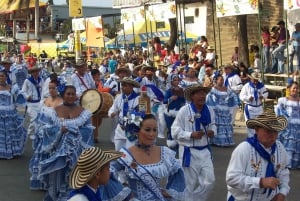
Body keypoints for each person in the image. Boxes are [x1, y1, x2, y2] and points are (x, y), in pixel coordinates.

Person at [37, 85, 94, 201]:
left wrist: (75, 132)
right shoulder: (54, 111)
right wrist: (59, 131)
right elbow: (45, 129)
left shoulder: (84, 112)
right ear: (63, 95)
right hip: (58, 151)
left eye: (73, 94)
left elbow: (90, 130)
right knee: (59, 174)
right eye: (68, 94)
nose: (71, 96)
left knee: (75, 175)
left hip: (77, 151)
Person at [112, 114, 186, 200]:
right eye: (147, 130)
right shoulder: (126, 155)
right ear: (136, 131)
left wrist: (171, 192)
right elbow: (107, 174)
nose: (152, 134)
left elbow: (178, 172)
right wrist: (125, 194)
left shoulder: (164, 152)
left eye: (155, 130)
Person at [226, 112, 290, 201]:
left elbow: (283, 173)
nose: (272, 135)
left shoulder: (279, 148)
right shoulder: (244, 149)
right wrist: (260, 182)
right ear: (256, 130)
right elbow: (232, 178)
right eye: (268, 131)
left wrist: (282, 192)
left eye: (275, 131)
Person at [171, 84, 216, 201]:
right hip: (189, 152)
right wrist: (190, 135)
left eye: (204, 93)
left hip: (205, 150)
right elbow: (174, 131)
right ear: (192, 96)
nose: (202, 96)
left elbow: (214, 125)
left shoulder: (210, 110)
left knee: (209, 181)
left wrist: (212, 132)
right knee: (188, 184)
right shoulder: (184, 111)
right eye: (199, 93)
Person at [29, 80, 63, 190]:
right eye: (50, 88)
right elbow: (40, 117)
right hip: (43, 135)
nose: (51, 90)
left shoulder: (61, 103)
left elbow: (61, 121)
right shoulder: (44, 101)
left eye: (53, 88)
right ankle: (41, 180)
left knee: (51, 158)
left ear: (58, 89)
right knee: (40, 158)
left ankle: (51, 183)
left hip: (53, 136)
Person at [68, 147, 132, 201]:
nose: (110, 173)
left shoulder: (94, 190)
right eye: (108, 169)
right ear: (97, 174)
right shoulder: (80, 199)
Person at [206, 73, 239, 146]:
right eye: (220, 80)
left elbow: (233, 96)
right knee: (218, 125)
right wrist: (215, 106)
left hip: (226, 110)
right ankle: (217, 141)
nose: (222, 81)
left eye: (223, 80)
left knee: (226, 124)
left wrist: (231, 103)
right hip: (217, 110)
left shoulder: (227, 89)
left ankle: (227, 140)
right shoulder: (213, 89)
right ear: (216, 80)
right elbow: (209, 99)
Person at [108, 77, 140, 151]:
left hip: (132, 130)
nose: (122, 87)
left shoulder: (140, 99)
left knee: (130, 153)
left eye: (125, 85)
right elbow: (113, 109)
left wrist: (128, 123)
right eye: (122, 85)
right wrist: (111, 113)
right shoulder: (118, 97)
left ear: (131, 87)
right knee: (118, 151)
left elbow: (142, 116)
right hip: (120, 129)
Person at [0, 70, 27, 159]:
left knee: (10, 132)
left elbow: (19, 97)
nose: (1, 78)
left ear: (6, 77)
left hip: (10, 113)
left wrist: (20, 103)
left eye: (3, 76)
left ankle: (11, 150)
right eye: (0, 76)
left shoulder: (11, 87)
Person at [275, 81, 300, 169]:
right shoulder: (284, 100)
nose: (295, 90)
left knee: (297, 145)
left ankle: (295, 164)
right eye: (294, 88)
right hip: (288, 127)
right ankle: (287, 163)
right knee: (288, 144)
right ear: (289, 89)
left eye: (297, 88)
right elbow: (279, 112)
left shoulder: (299, 100)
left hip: (298, 127)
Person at [239, 72, 268, 136]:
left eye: (256, 80)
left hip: (259, 107)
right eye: (254, 80)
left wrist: (263, 96)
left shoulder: (261, 86)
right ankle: (252, 139)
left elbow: (266, 93)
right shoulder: (246, 86)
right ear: (251, 79)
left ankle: (258, 138)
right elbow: (241, 96)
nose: (255, 82)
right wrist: (248, 98)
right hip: (250, 108)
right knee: (251, 125)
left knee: (260, 125)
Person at [21, 64, 44, 140]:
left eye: (37, 71)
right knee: (34, 118)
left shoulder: (41, 80)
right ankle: (32, 134)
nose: (36, 73)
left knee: (38, 119)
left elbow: (44, 90)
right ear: (31, 73)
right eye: (34, 72)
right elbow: (23, 91)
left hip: (39, 102)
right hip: (31, 103)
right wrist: (27, 96)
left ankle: (30, 131)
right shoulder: (27, 81)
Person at [163, 74, 185, 149]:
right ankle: (171, 144)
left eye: (178, 80)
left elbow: (185, 100)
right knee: (171, 128)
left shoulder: (182, 90)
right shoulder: (169, 91)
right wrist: (171, 99)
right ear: (172, 82)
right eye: (175, 80)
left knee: (179, 128)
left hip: (180, 113)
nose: (177, 81)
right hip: (170, 113)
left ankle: (179, 143)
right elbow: (164, 101)